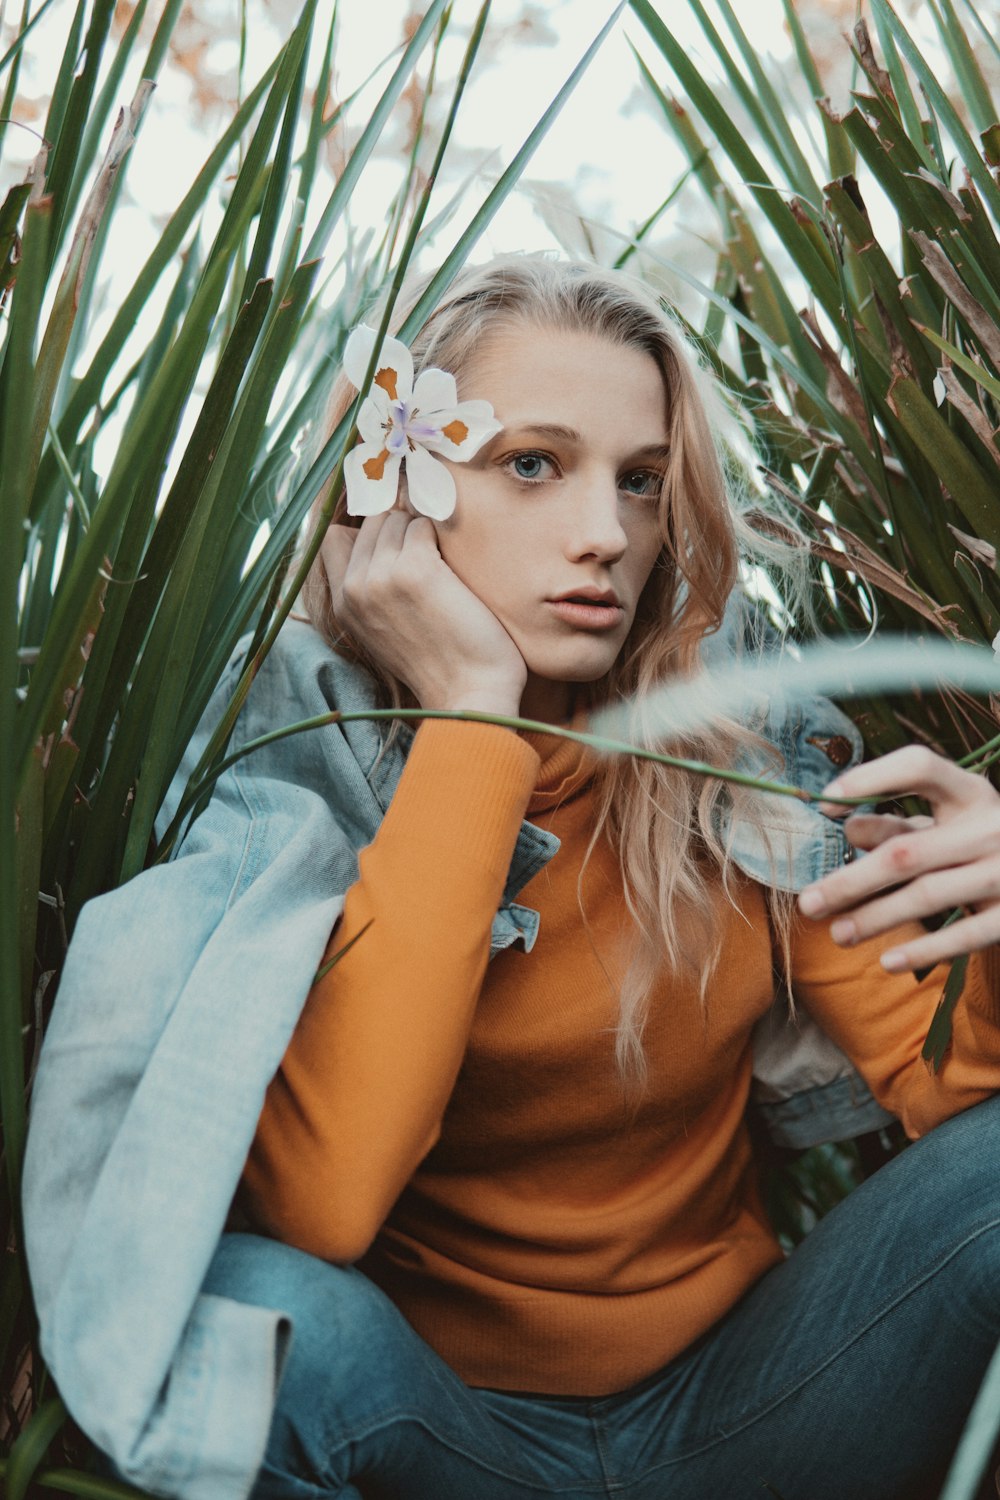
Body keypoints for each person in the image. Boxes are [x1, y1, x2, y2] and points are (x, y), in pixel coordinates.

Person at [22, 255, 1000, 1500]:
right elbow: (324, 1212)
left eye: (641, 481)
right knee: (254, 1319)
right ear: (399, 488)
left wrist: (986, 918)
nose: (605, 533)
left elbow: (946, 1100)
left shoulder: (734, 738)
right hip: (438, 1434)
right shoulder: (287, 753)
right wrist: (474, 717)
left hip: (756, 1402)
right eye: (532, 464)